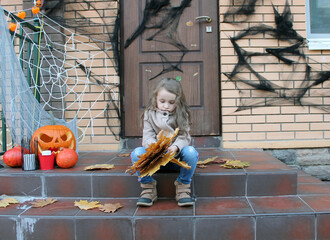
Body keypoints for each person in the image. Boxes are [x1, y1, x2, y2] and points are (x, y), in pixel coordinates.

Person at [130, 77, 199, 207]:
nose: (166, 106)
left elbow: (184, 136)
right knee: (136, 153)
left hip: (176, 159)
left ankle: (183, 187)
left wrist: (175, 147)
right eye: (162, 101)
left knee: (191, 152)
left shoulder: (181, 114)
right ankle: (148, 188)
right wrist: (155, 147)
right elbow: (147, 137)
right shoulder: (149, 114)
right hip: (156, 159)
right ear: (155, 98)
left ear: (178, 102)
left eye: (171, 102)